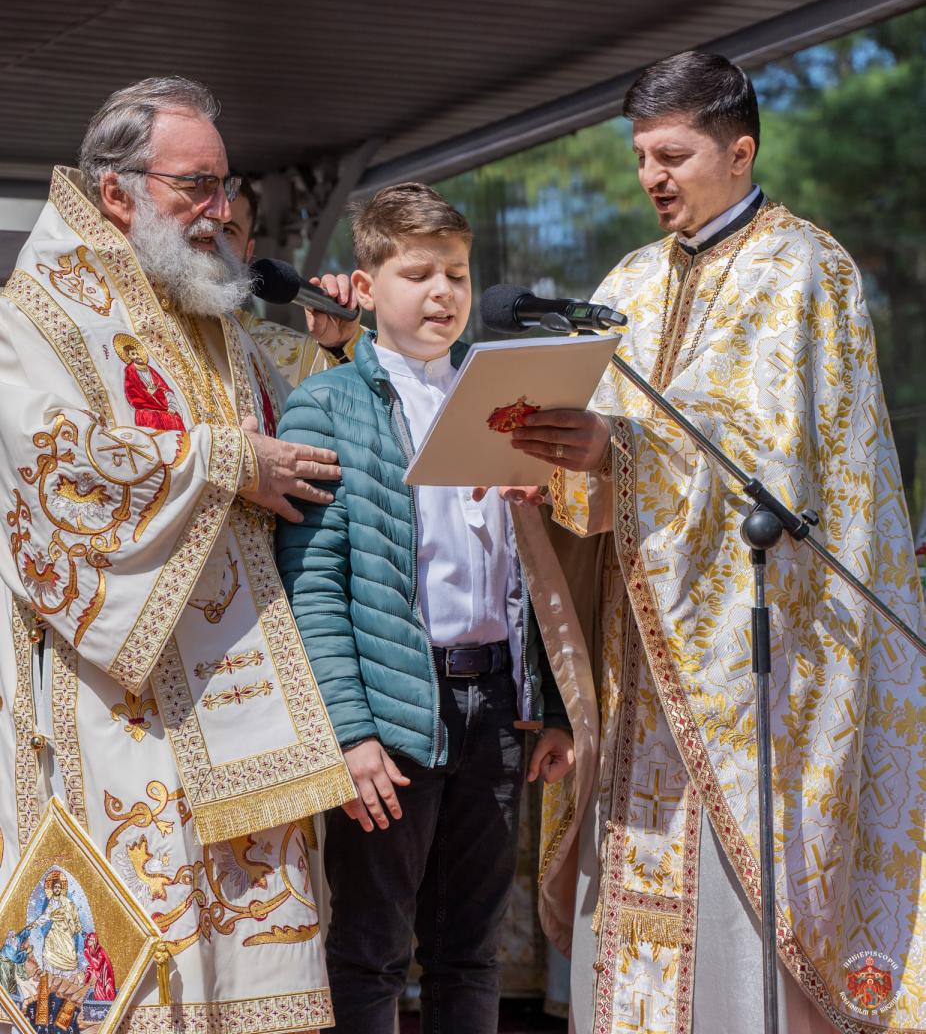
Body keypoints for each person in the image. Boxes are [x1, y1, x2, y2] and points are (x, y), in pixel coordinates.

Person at [503, 52, 926, 1032]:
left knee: (748, 910)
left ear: (737, 152)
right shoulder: (628, 280)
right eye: (641, 156)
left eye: (672, 154)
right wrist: (550, 472)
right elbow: (605, 460)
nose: (651, 177)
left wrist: (620, 451)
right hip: (643, 663)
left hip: (756, 668)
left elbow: (780, 456)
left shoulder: (804, 268)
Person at [0, 76, 357, 1034]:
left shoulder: (202, 302)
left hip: (244, 695)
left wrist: (343, 349)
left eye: (225, 187)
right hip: (123, 700)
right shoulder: (39, 312)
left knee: (255, 973)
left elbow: (301, 433)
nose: (221, 210)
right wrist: (229, 460)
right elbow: (55, 470)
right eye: (195, 186)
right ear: (116, 193)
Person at [275, 182, 576, 1034]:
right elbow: (313, 583)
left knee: (469, 947)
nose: (442, 292)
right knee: (372, 949)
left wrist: (548, 705)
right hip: (396, 712)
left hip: (494, 705)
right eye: (417, 273)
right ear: (366, 288)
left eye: (457, 272)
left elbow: (533, 574)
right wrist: (349, 730)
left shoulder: (503, 398)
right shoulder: (330, 404)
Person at [223, 177, 361, 387]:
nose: (212, 237)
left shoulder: (296, 355)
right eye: (205, 224)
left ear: (248, 251)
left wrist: (341, 346)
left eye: (227, 231)